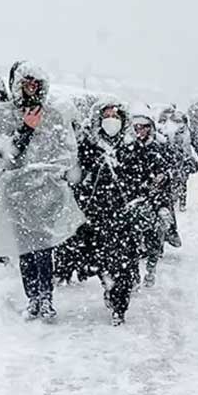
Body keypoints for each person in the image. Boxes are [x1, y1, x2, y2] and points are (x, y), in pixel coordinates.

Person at [0, 61, 83, 321]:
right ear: (17, 85)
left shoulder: (54, 116)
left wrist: (56, 175)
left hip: (47, 193)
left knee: (44, 247)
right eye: (27, 83)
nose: (32, 88)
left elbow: (66, 152)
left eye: (36, 83)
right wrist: (26, 129)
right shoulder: (3, 116)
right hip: (17, 194)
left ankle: (46, 298)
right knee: (25, 248)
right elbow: (4, 157)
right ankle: (33, 298)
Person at [75, 98, 143, 325]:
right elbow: (78, 178)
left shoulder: (131, 147)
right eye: (107, 116)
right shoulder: (88, 146)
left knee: (124, 264)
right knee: (102, 261)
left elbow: (139, 179)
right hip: (96, 216)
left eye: (115, 116)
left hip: (124, 217)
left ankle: (119, 305)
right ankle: (108, 285)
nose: (111, 120)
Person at [129, 105, 176, 287]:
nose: (140, 130)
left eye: (144, 127)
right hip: (133, 199)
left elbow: (170, 168)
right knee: (130, 240)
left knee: (154, 236)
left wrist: (163, 177)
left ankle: (150, 268)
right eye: (137, 127)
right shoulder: (127, 148)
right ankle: (133, 274)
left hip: (155, 198)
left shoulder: (159, 147)